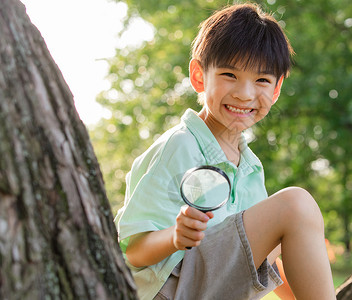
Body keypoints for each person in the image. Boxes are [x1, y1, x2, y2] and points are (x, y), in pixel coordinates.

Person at [114, 3, 336, 300]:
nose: (245, 94)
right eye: (230, 75)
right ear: (198, 76)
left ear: (276, 89)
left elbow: (259, 257)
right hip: (168, 290)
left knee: (292, 221)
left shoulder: (250, 167)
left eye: (261, 80)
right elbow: (133, 250)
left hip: (208, 284)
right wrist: (175, 237)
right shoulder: (179, 146)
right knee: (295, 204)